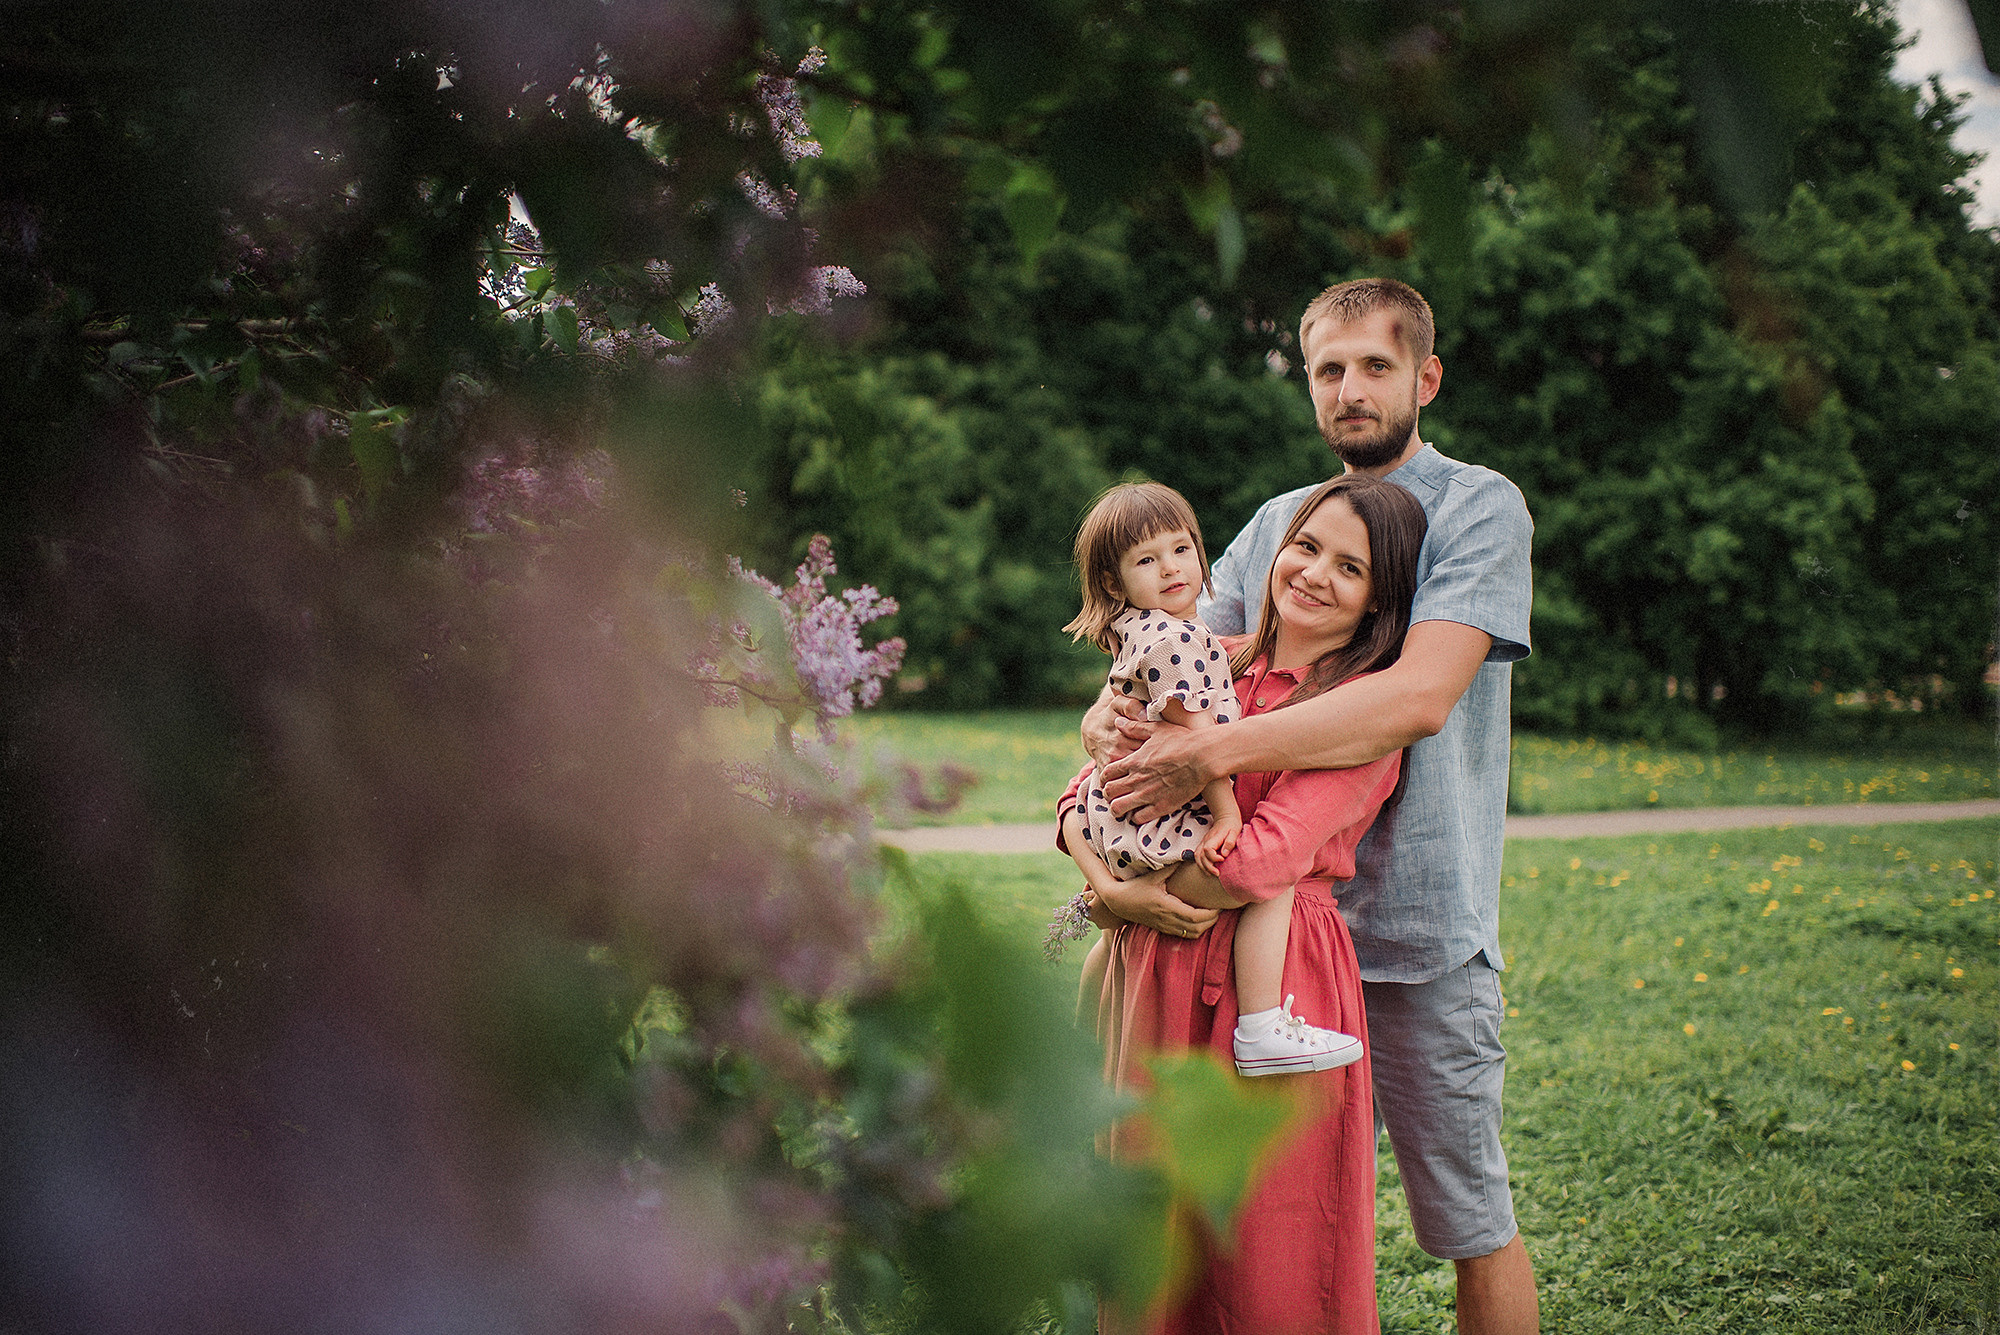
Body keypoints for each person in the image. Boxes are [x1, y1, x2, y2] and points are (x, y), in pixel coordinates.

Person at [1088, 278, 1541, 1335]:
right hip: (1264, 953)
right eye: (1327, 369)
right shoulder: (1277, 525)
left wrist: (1206, 750)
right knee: (1261, 1228)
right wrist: (1098, 739)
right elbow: (1180, 672)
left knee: (1468, 1221)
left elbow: (1417, 697)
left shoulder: (1478, 507)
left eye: (1373, 366)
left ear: (1422, 378)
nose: (1348, 389)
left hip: (1417, 935)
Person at [1062, 473, 1428, 1335]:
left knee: (1268, 1247)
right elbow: (1086, 789)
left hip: (1277, 981)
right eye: (1306, 546)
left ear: (1380, 601)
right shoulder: (1203, 656)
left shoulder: (1356, 716)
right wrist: (1107, 887)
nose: (1313, 573)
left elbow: (1257, 860)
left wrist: (1134, 899)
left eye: (1351, 567)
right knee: (1154, 1222)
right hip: (1155, 961)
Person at [1052, 481, 1360, 1075]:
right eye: (1148, 559)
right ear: (1115, 581)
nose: (1171, 568)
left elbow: (1082, 790)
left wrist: (1115, 899)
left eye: (1181, 549)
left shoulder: (1146, 636)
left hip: (1119, 831)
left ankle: (1083, 1040)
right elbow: (1203, 751)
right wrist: (1223, 815)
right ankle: (1264, 1027)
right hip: (1156, 836)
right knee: (1277, 877)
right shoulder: (1184, 641)